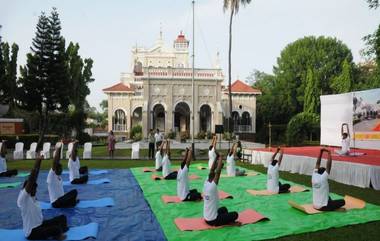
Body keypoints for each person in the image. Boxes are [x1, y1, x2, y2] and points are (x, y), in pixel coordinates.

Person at [17, 155, 68, 240]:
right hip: (32, 232)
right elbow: (32, 179)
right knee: (55, 229)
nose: (36, 191)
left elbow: (34, 179)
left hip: (40, 225)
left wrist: (40, 161)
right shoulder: (23, 199)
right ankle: (58, 234)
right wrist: (37, 162)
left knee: (62, 218)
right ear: (28, 190)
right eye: (34, 189)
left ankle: (60, 231)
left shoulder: (32, 197)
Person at [204, 153, 239, 226]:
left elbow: (212, 170)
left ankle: (226, 220)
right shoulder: (212, 187)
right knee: (235, 214)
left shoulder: (206, 183)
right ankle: (227, 223)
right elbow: (218, 172)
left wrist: (216, 157)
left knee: (224, 209)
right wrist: (220, 158)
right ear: (213, 179)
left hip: (206, 218)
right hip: (213, 220)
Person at [47, 144, 78, 208]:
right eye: (60, 169)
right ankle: (71, 203)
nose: (61, 171)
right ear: (55, 169)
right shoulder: (51, 176)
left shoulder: (59, 177)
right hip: (55, 202)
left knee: (74, 191)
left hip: (61, 199)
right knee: (73, 195)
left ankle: (70, 203)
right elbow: (55, 161)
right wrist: (59, 149)